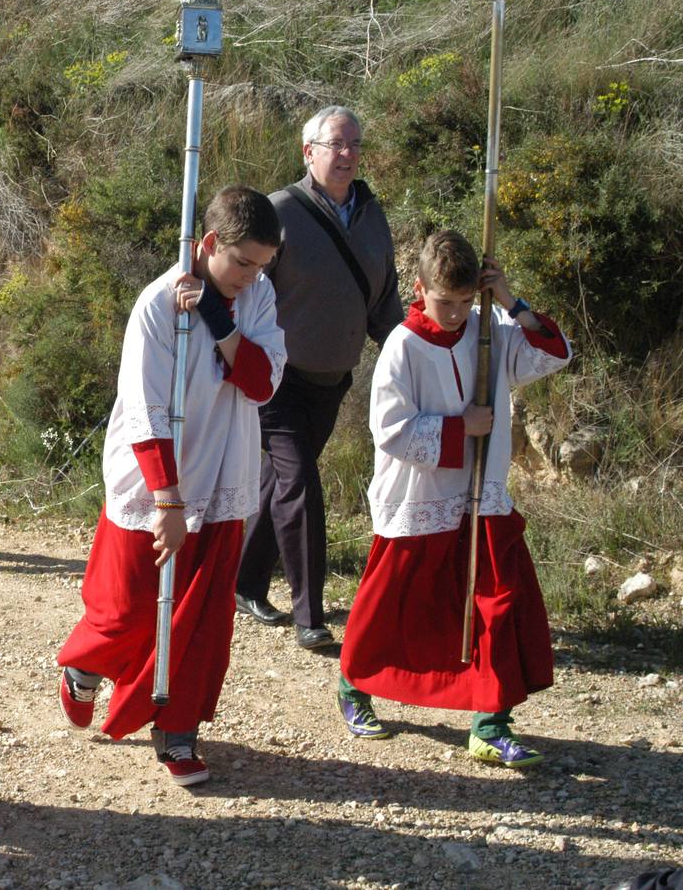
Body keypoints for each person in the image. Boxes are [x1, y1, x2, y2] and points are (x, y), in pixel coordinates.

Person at [56, 186, 286, 786]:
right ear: (210, 244)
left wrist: (216, 316)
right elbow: (145, 410)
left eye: (262, 264)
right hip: (153, 481)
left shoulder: (255, 298)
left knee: (202, 618)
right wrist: (167, 498)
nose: (252, 275)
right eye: (241, 262)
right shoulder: (157, 305)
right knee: (128, 608)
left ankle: (177, 728)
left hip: (223, 476)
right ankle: (83, 668)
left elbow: (263, 382)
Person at [336, 230, 571, 767]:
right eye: (446, 301)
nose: (456, 314)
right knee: (392, 600)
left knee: (496, 600)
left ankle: (490, 722)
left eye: (467, 301)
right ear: (419, 288)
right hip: (419, 496)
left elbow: (551, 354)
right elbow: (390, 429)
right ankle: (353, 683)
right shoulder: (403, 344)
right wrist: (460, 428)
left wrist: (510, 301)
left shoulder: (491, 329)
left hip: (482, 494)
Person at [234, 105, 405, 650]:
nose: (347, 154)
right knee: (301, 485)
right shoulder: (279, 211)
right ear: (309, 152)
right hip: (277, 382)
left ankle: (243, 583)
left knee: (279, 483)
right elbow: (247, 289)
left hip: (335, 378)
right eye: (336, 144)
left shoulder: (372, 215)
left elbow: (384, 296)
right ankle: (310, 613)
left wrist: (411, 349)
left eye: (355, 144)